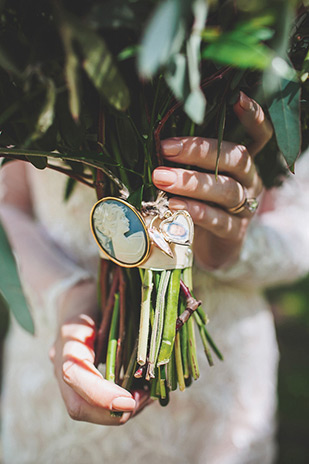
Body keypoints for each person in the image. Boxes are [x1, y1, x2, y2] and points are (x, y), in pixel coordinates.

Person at [1, 92, 309, 464]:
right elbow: (8, 206)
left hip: (218, 389)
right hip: (56, 342)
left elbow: (299, 234)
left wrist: (231, 245)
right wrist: (67, 293)